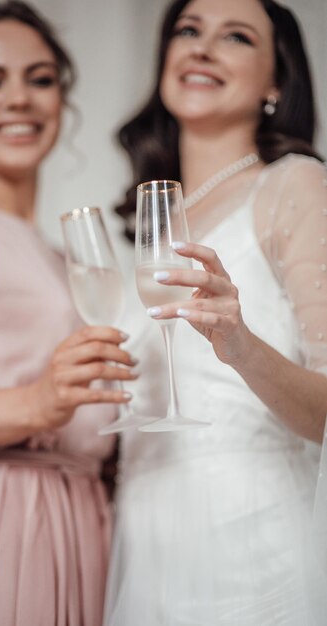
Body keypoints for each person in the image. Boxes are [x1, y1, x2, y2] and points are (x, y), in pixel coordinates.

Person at [0, 2, 137, 625]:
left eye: (40, 79)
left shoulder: (62, 252)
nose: (19, 99)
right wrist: (35, 404)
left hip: (83, 525)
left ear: (61, 99)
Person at [104, 0, 327, 624]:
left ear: (277, 82)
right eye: (188, 30)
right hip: (145, 533)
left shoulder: (294, 184)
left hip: (245, 533)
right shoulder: (154, 222)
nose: (201, 47)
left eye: (235, 36)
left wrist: (243, 346)